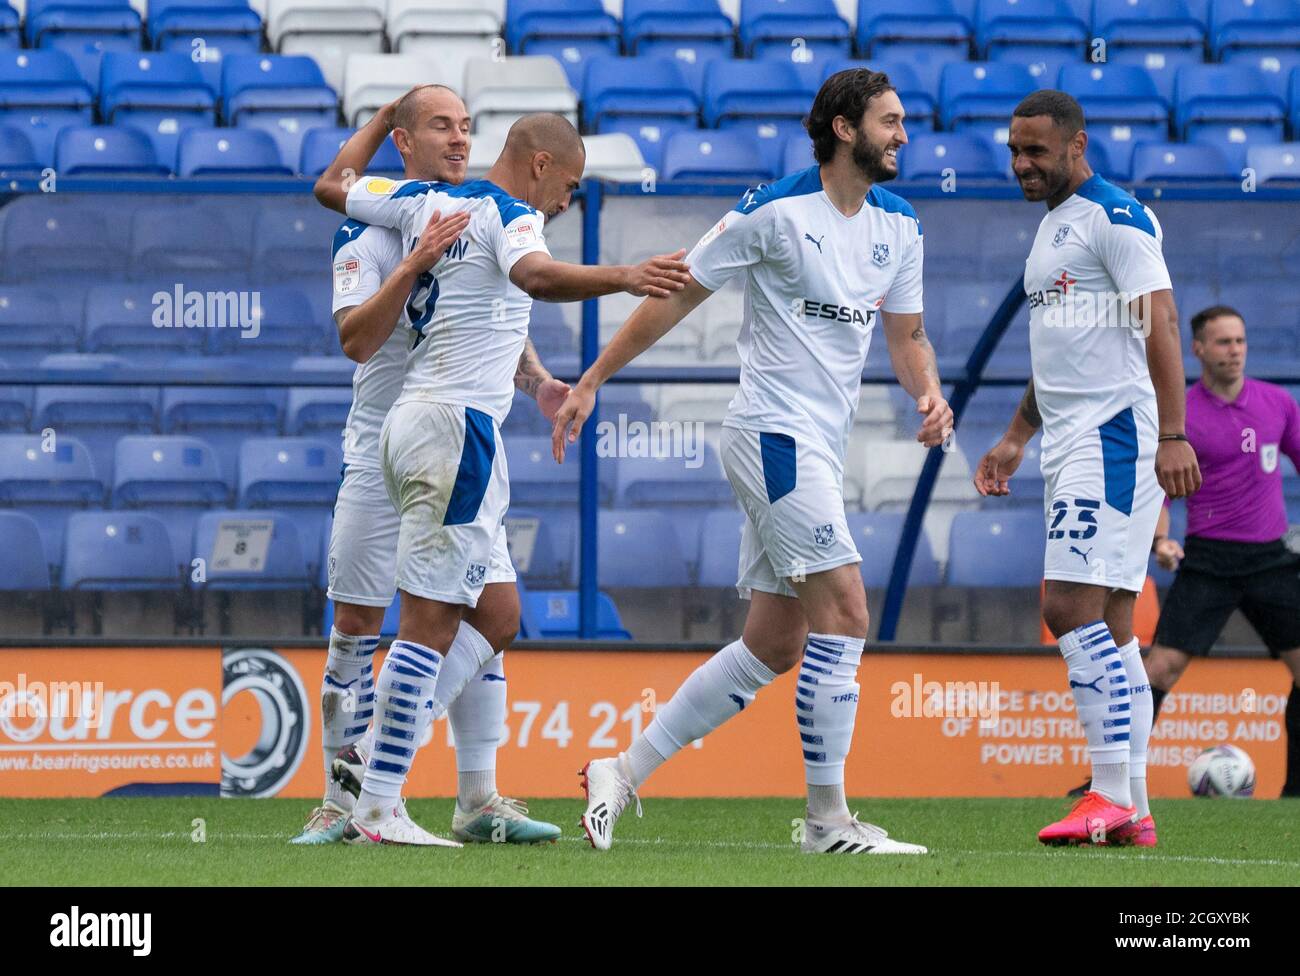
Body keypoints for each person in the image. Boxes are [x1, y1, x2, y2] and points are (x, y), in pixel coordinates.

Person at [552, 69, 950, 855]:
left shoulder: (900, 224)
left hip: (817, 448)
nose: (904, 135)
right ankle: (828, 822)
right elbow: (677, 295)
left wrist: (929, 393)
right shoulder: (771, 210)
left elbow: (908, 336)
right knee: (847, 610)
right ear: (844, 128)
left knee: (773, 644)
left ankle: (618, 771)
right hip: (773, 435)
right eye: (890, 121)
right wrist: (593, 378)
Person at [336, 111, 693, 844]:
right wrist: (626, 276)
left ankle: (374, 756)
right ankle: (377, 804)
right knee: (429, 625)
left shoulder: (425, 200)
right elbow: (535, 274)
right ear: (540, 165)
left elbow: (333, 186)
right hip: (455, 430)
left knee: (497, 614)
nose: (566, 201)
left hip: (419, 422)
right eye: (570, 185)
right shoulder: (512, 213)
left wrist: (539, 385)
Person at [291, 85, 564, 845]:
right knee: (356, 624)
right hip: (382, 446)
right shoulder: (375, 227)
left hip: (454, 443)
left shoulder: (476, 214)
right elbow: (356, 341)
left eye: (467, 126)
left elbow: (491, 315)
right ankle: (341, 802)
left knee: (489, 612)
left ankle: (476, 797)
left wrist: (539, 381)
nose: (460, 139)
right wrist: (411, 264)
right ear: (404, 142)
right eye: (441, 126)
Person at [974, 90, 1201, 848]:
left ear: (1077, 146)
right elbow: (1061, 352)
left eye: (1035, 150)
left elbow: (1160, 320)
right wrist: (1017, 435)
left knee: (1067, 607)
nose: (1021, 164)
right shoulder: (1052, 229)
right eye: (1014, 150)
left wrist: (1174, 433)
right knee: (1112, 624)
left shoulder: (1116, 217)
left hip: (1113, 438)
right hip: (1073, 439)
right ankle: (1134, 808)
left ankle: (1105, 793)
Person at [1144, 306, 1300, 797]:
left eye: (1240, 341)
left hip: (1272, 560)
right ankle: (1109, 785)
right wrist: (1160, 541)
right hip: (1208, 561)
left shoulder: (1278, 403)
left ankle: (1295, 792)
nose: (1234, 351)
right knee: (1158, 670)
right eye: (1223, 342)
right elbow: (1161, 492)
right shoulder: (1181, 414)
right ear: (1198, 349)